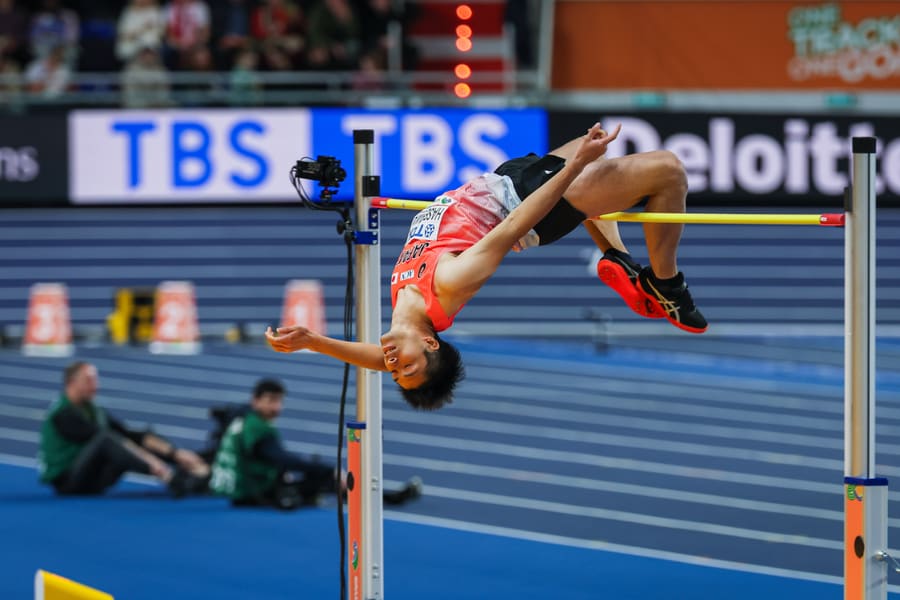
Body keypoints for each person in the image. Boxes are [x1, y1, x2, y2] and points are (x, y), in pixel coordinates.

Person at [266, 122, 707, 410]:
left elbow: (377, 359)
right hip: (529, 204)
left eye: (395, 373)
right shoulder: (449, 283)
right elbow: (517, 223)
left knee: (602, 157)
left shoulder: (406, 309)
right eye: (407, 367)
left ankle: (619, 259)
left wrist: (313, 340)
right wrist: (574, 167)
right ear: (430, 343)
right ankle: (666, 284)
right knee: (668, 171)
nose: (395, 365)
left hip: (505, 178)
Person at [209, 378, 422, 510]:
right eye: (271, 401)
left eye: (279, 401)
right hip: (252, 492)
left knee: (317, 475)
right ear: (255, 400)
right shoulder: (256, 427)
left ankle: (379, 497)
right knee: (324, 477)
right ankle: (384, 499)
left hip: (239, 486)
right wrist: (328, 470)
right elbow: (281, 458)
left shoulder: (242, 417)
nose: (277, 407)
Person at [38, 361, 210, 496]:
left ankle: (193, 469)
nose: (95, 385)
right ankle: (169, 477)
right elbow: (108, 439)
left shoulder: (93, 409)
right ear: (72, 383)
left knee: (133, 438)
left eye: (95, 380)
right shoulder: (63, 414)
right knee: (107, 440)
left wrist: (175, 453)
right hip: (69, 482)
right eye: (89, 381)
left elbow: (127, 434)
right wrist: (156, 465)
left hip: (92, 477)